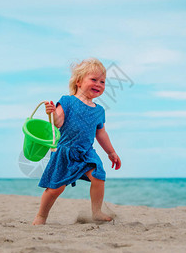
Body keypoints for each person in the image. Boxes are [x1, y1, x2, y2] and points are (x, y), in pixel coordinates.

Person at [32, 58, 121, 225]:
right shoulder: (67, 101)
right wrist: (51, 113)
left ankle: (96, 212)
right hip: (65, 151)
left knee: (98, 175)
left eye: (102, 81)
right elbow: (58, 123)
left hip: (86, 152)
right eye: (94, 79)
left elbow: (101, 133)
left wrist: (111, 152)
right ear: (79, 81)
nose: (99, 84)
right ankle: (41, 216)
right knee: (55, 188)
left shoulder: (99, 111)